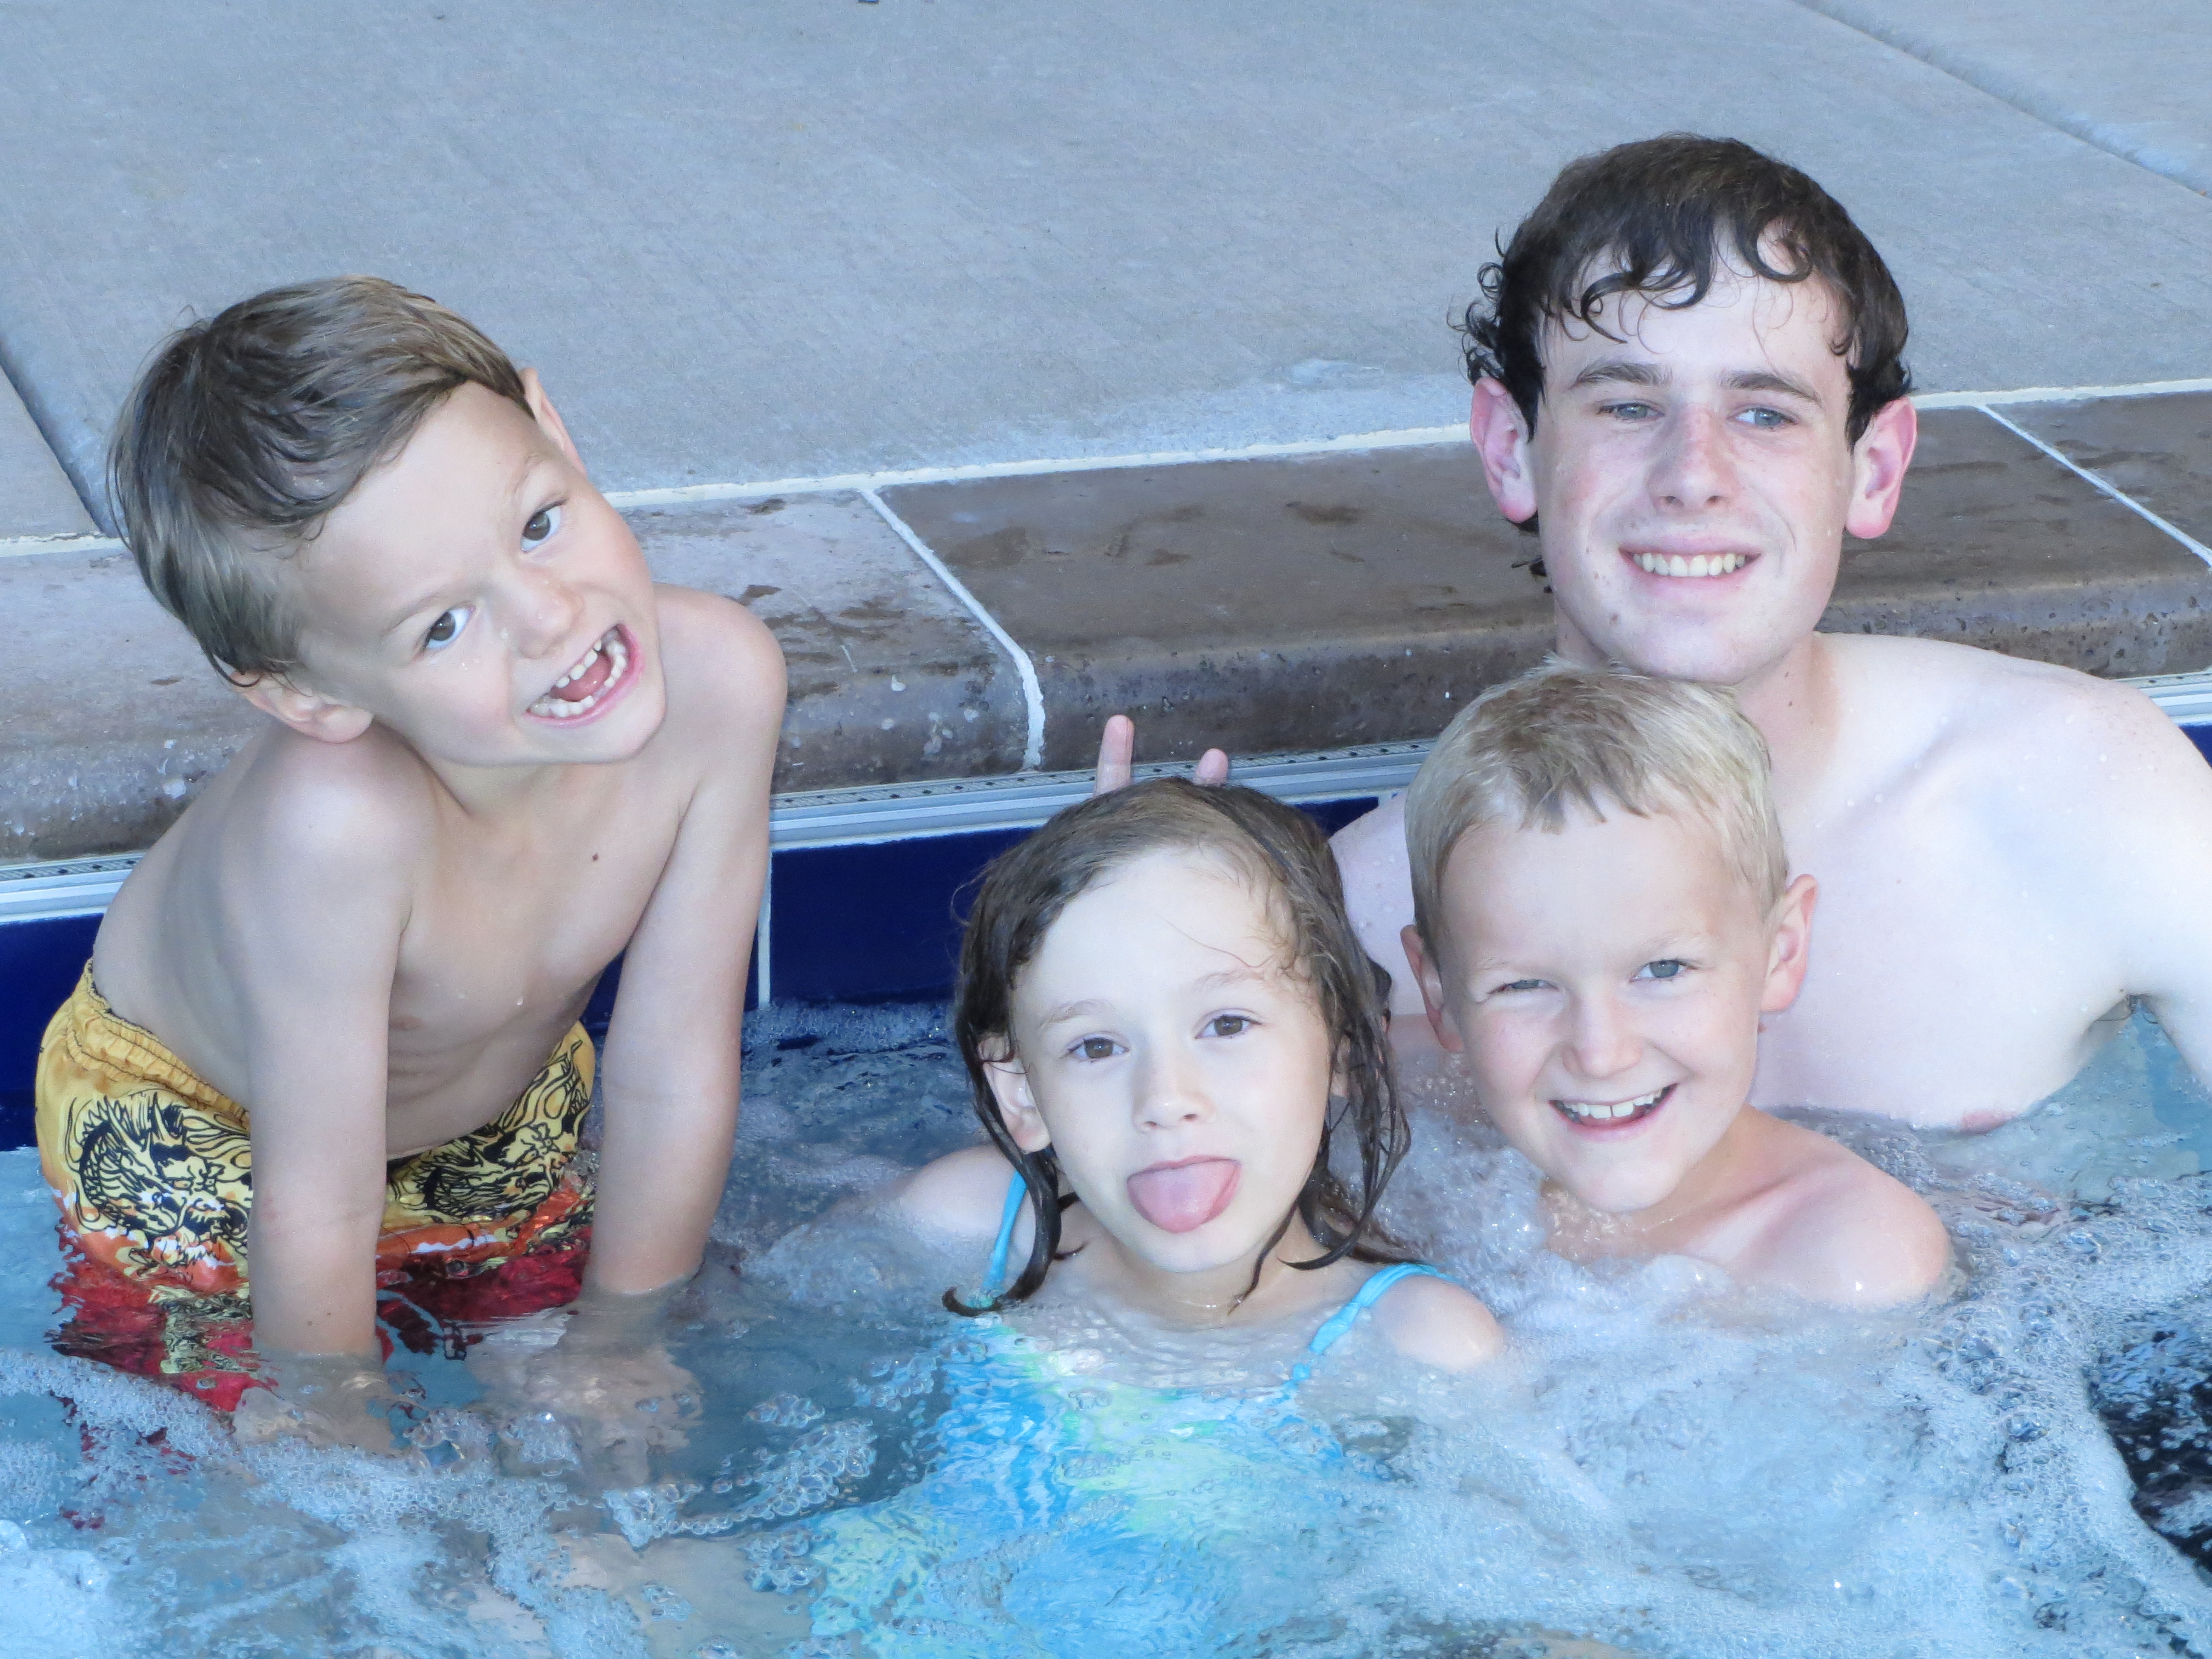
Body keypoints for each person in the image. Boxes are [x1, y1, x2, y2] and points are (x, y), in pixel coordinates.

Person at [35, 278, 784, 1461]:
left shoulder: (722, 685)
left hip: (492, 1092)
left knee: (609, 1399)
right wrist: (344, 1443)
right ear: (308, 694)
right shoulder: (336, 828)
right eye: (442, 625)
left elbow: (674, 1065)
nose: (549, 617)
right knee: (251, 1449)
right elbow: (315, 1199)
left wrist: (623, 1341)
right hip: (203, 1128)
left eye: (538, 523)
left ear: (553, 428)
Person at [1324, 133, 2212, 1131]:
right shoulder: (1367, 917)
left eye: (1763, 415)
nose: (1692, 474)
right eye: (1627, 405)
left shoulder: (2081, 793)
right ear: (1508, 449)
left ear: (1874, 470)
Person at [574, 779, 1501, 1653]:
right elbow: (737, 1310)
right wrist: (605, 1352)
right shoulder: (973, 1223)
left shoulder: (1419, 1342)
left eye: (1226, 1025)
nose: (1166, 1099)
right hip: (870, 1605)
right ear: (1021, 1093)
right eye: (1096, 1046)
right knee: (584, 1580)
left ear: (1341, 1048)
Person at [1398, 663, 1950, 1307]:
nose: (1601, 1054)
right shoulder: (1429, 1159)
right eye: (1524, 987)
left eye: (1663, 970)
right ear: (1440, 995)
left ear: (1780, 953)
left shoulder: (1855, 1261)